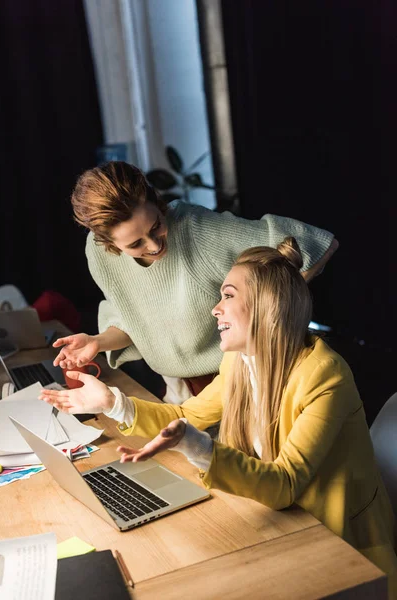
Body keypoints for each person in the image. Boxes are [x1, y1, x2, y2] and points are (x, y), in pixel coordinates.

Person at [41, 237, 397, 597]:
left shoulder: (324, 375)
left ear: (266, 306)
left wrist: (197, 446)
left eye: (228, 295)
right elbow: (186, 414)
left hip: (343, 551)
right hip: (282, 524)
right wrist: (113, 403)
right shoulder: (240, 361)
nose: (215, 308)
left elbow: (286, 484)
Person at [54, 161, 338, 403]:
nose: (153, 246)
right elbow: (135, 320)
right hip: (178, 391)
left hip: (242, 386)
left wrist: (267, 316)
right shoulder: (99, 254)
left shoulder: (196, 228)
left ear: (157, 203)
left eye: (156, 226)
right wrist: (97, 342)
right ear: (107, 243)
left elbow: (318, 244)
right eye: (136, 243)